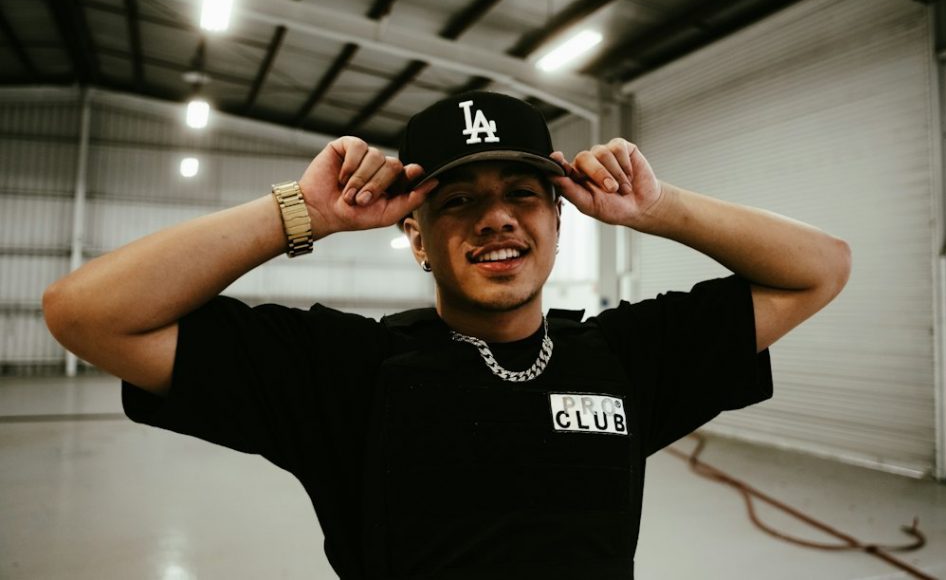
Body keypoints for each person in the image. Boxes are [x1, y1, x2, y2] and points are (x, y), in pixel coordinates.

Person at [43, 91, 851, 579]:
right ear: (417, 237)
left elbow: (821, 268)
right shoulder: (343, 372)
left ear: (558, 220)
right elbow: (85, 313)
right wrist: (303, 212)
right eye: (457, 200)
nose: (495, 217)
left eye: (521, 193)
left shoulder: (626, 358)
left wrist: (657, 207)